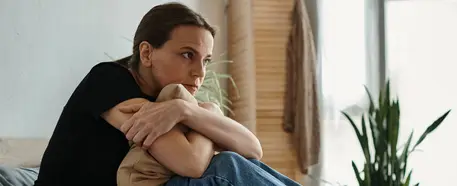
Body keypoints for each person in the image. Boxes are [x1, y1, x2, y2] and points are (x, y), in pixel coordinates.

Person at [34, 2, 300, 186]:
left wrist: (188, 110)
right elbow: (191, 164)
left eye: (205, 60)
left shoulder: (171, 100)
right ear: (147, 53)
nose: (200, 72)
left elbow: (253, 149)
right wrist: (205, 115)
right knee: (225, 168)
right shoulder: (108, 80)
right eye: (187, 55)